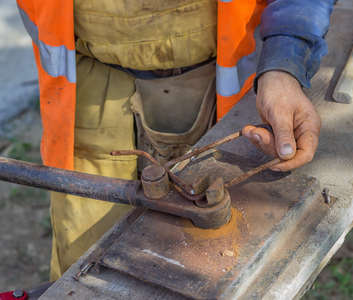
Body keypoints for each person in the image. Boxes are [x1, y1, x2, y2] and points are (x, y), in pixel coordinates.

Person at [17, 0, 335, 279]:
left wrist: (283, 67)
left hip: (219, 83)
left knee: (219, 262)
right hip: (86, 83)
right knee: (84, 265)